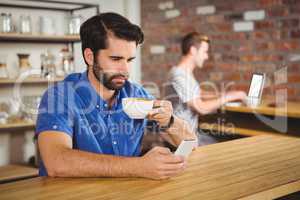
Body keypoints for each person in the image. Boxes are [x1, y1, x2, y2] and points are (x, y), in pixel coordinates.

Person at [36, 13, 196, 180]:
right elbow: (56, 162)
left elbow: (191, 143)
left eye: (129, 60)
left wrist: (168, 120)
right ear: (90, 57)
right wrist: (139, 166)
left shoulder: (136, 94)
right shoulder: (60, 96)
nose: (125, 70)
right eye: (116, 59)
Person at [165, 32, 246, 145]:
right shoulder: (179, 75)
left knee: (228, 139)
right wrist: (229, 97)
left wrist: (224, 94)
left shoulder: (185, 73)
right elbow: (201, 107)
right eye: (204, 52)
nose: (206, 56)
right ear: (193, 50)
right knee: (230, 142)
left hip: (189, 134)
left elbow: (198, 93)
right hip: (181, 140)